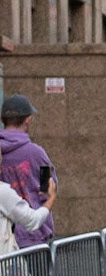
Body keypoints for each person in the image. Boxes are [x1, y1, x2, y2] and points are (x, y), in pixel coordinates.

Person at [0, 95, 56, 251]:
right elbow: (48, 188)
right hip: (32, 236)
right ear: (28, 119)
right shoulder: (36, 153)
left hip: (4, 239)